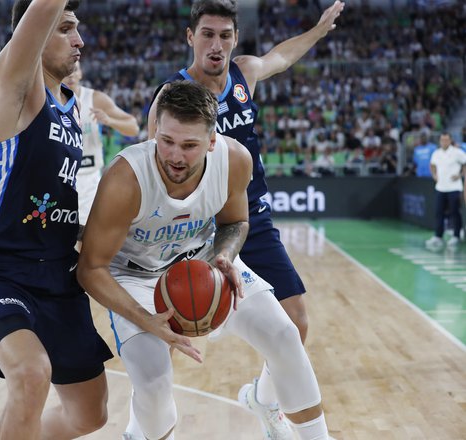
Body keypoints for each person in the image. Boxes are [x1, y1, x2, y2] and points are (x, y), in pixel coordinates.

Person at [78, 81, 330, 440]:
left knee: (284, 335)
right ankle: (140, 433)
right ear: (155, 131)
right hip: (134, 278)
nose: (175, 156)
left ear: (212, 141)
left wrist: (225, 256)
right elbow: (90, 268)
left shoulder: (234, 160)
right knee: (152, 381)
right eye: (166, 141)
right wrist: (146, 320)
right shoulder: (125, 179)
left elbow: (235, 222)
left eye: (189, 145)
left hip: (203, 261)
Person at [147, 1, 343, 437]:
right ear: (190, 37)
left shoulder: (244, 74)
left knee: (297, 323)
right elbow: (154, 167)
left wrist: (316, 30)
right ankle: (143, 424)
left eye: (224, 35)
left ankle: (264, 399)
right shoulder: (171, 96)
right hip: (196, 231)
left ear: (235, 39)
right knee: (168, 337)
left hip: (251, 220)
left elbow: (283, 55)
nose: (216, 45)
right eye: (207, 34)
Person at [0, 2, 113, 439]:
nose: (79, 41)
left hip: (60, 277)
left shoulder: (71, 108)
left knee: (90, 414)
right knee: (31, 374)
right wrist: (44, 15)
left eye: (77, 30)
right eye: (65, 29)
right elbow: (39, 10)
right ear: (36, 34)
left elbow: (52, 201)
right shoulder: (15, 91)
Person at [63, 61, 139, 226]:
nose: (71, 75)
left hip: (89, 178)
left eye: (75, 70)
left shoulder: (94, 98)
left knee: (85, 236)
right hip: (60, 179)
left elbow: (133, 127)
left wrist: (109, 120)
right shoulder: (48, 99)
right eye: (66, 71)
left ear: (81, 73)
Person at [425, 133, 466, 248]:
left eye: (447, 140)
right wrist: (434, 175)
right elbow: (432, 165)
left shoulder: (457, 152)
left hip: (454, 187)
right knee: (439, 212)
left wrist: (460, 175)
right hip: (440, 187)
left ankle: (456, 236)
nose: (444, 142)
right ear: (439, 141)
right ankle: (438, 236)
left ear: (450, 140)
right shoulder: (436, 153)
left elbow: (465, 163)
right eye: (442, 140)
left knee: (455, 212)